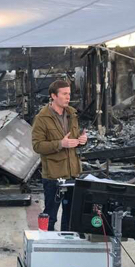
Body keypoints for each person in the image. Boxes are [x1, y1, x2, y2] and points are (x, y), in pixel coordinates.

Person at [31, 79, 87, 231]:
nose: (68, 97)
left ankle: (66, 248)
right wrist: (60, 144)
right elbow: (37, 146)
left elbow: (73, 139)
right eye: (64, 94)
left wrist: (82, 141)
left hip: (72, 173)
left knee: (70, 217)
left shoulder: (72, 114)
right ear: (53, 96)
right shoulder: (42, 118)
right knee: (50, 215)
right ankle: (46, 246)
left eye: (69, 94)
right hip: (53, 177)